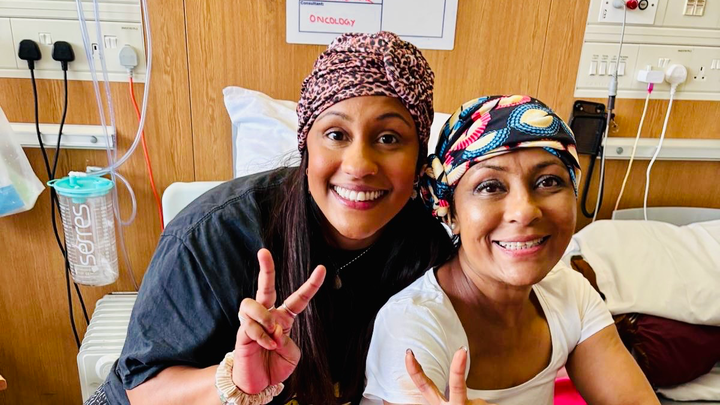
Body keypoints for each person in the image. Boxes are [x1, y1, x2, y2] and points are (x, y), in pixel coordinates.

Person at [87, 31, 453, 405]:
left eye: (389, 138)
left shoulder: (432, 248)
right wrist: (234, 381)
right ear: (306, 146)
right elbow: (141, 389)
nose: (359, 166)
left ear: (419, 157)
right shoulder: (213, 236)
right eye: (336, 134)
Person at [361, 95, 660, 405]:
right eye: (490, 187)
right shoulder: (412, 326)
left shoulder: (570, 293)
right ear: (451, 214)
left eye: (548, 181)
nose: (525, 211)